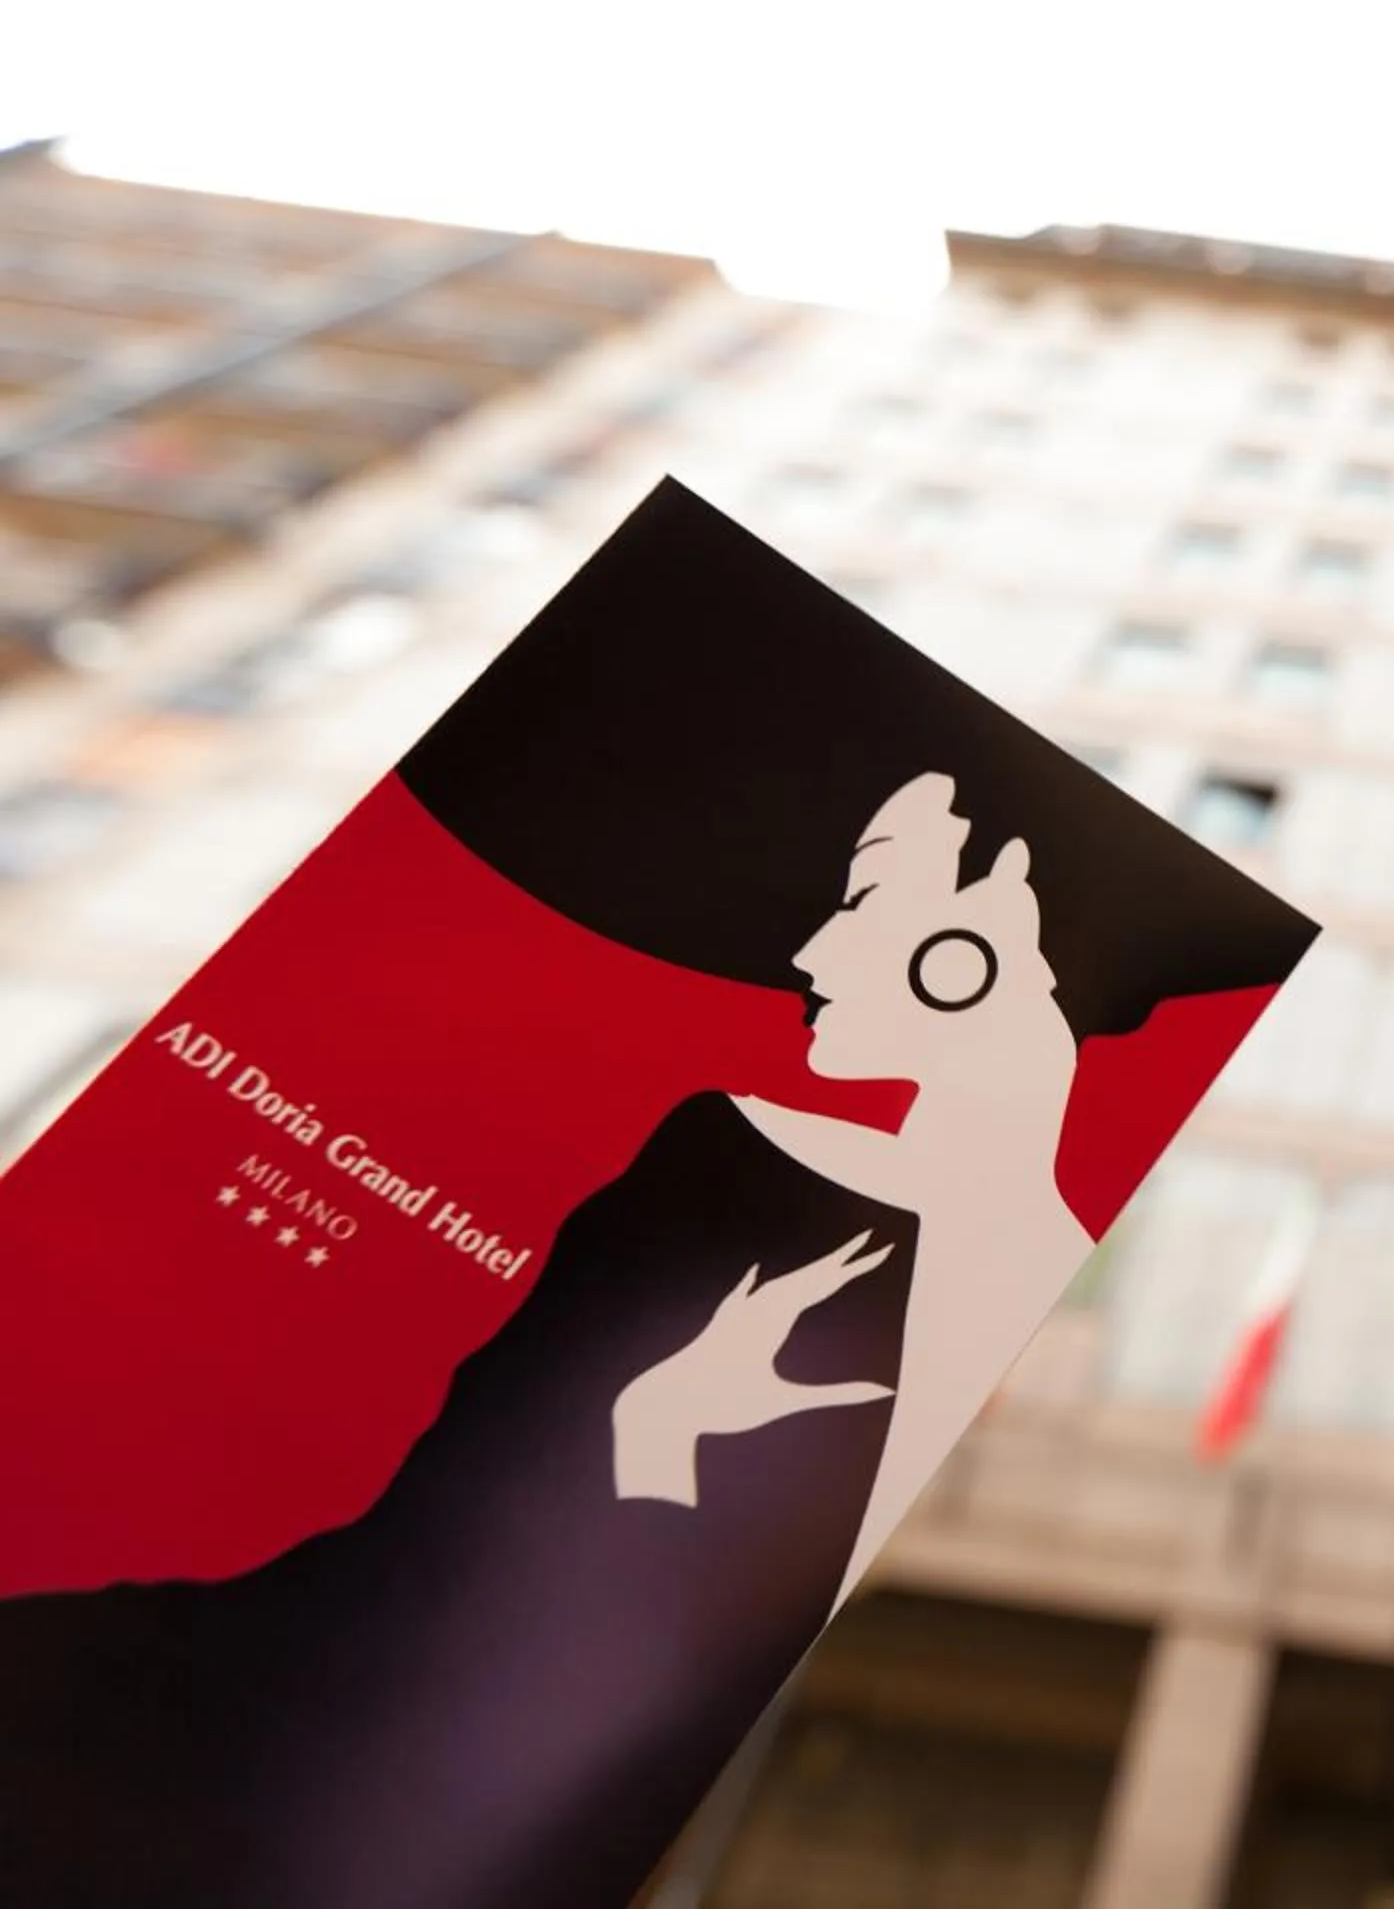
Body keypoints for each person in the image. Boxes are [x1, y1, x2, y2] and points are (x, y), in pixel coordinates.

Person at [0, 772, 1095, 1908]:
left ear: (968, 951)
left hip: (377, 1777)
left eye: (862, 905)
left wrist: (658, 1431)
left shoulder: (972, 1253)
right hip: (286, 1693)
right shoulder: (731, 1144)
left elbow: (635, 1629)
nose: (815, 952)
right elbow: (447, 1520)